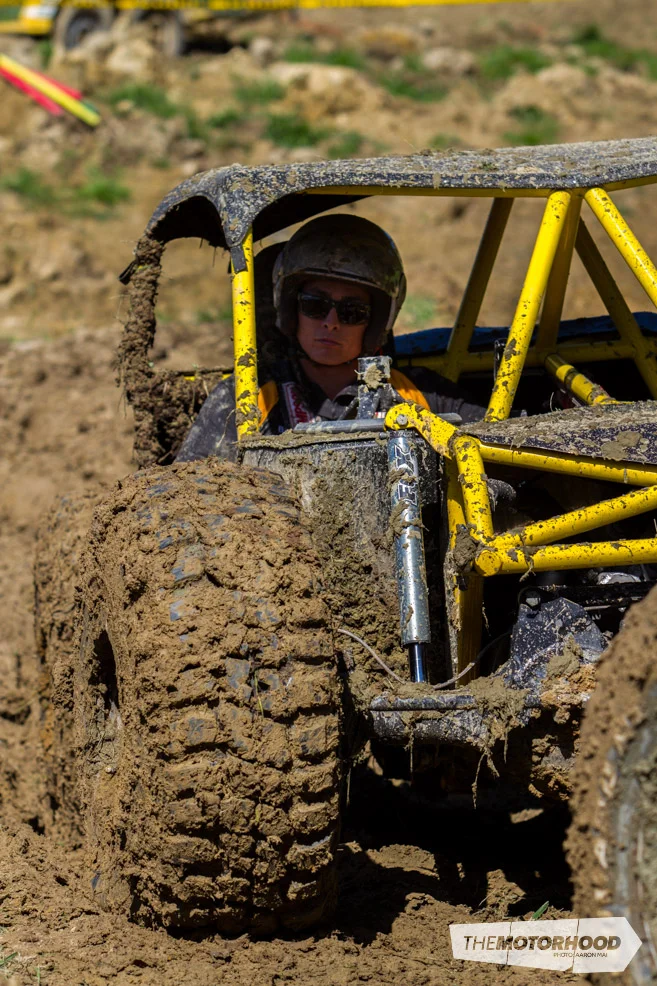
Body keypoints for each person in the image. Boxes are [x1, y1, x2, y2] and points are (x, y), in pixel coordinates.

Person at [175, 214, 484, 462]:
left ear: (375, 322)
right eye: (315, 305)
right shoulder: (245, 400)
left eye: (352, 312)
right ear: (291, 309)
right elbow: (189, 497)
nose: (331, 323)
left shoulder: (422, 395)